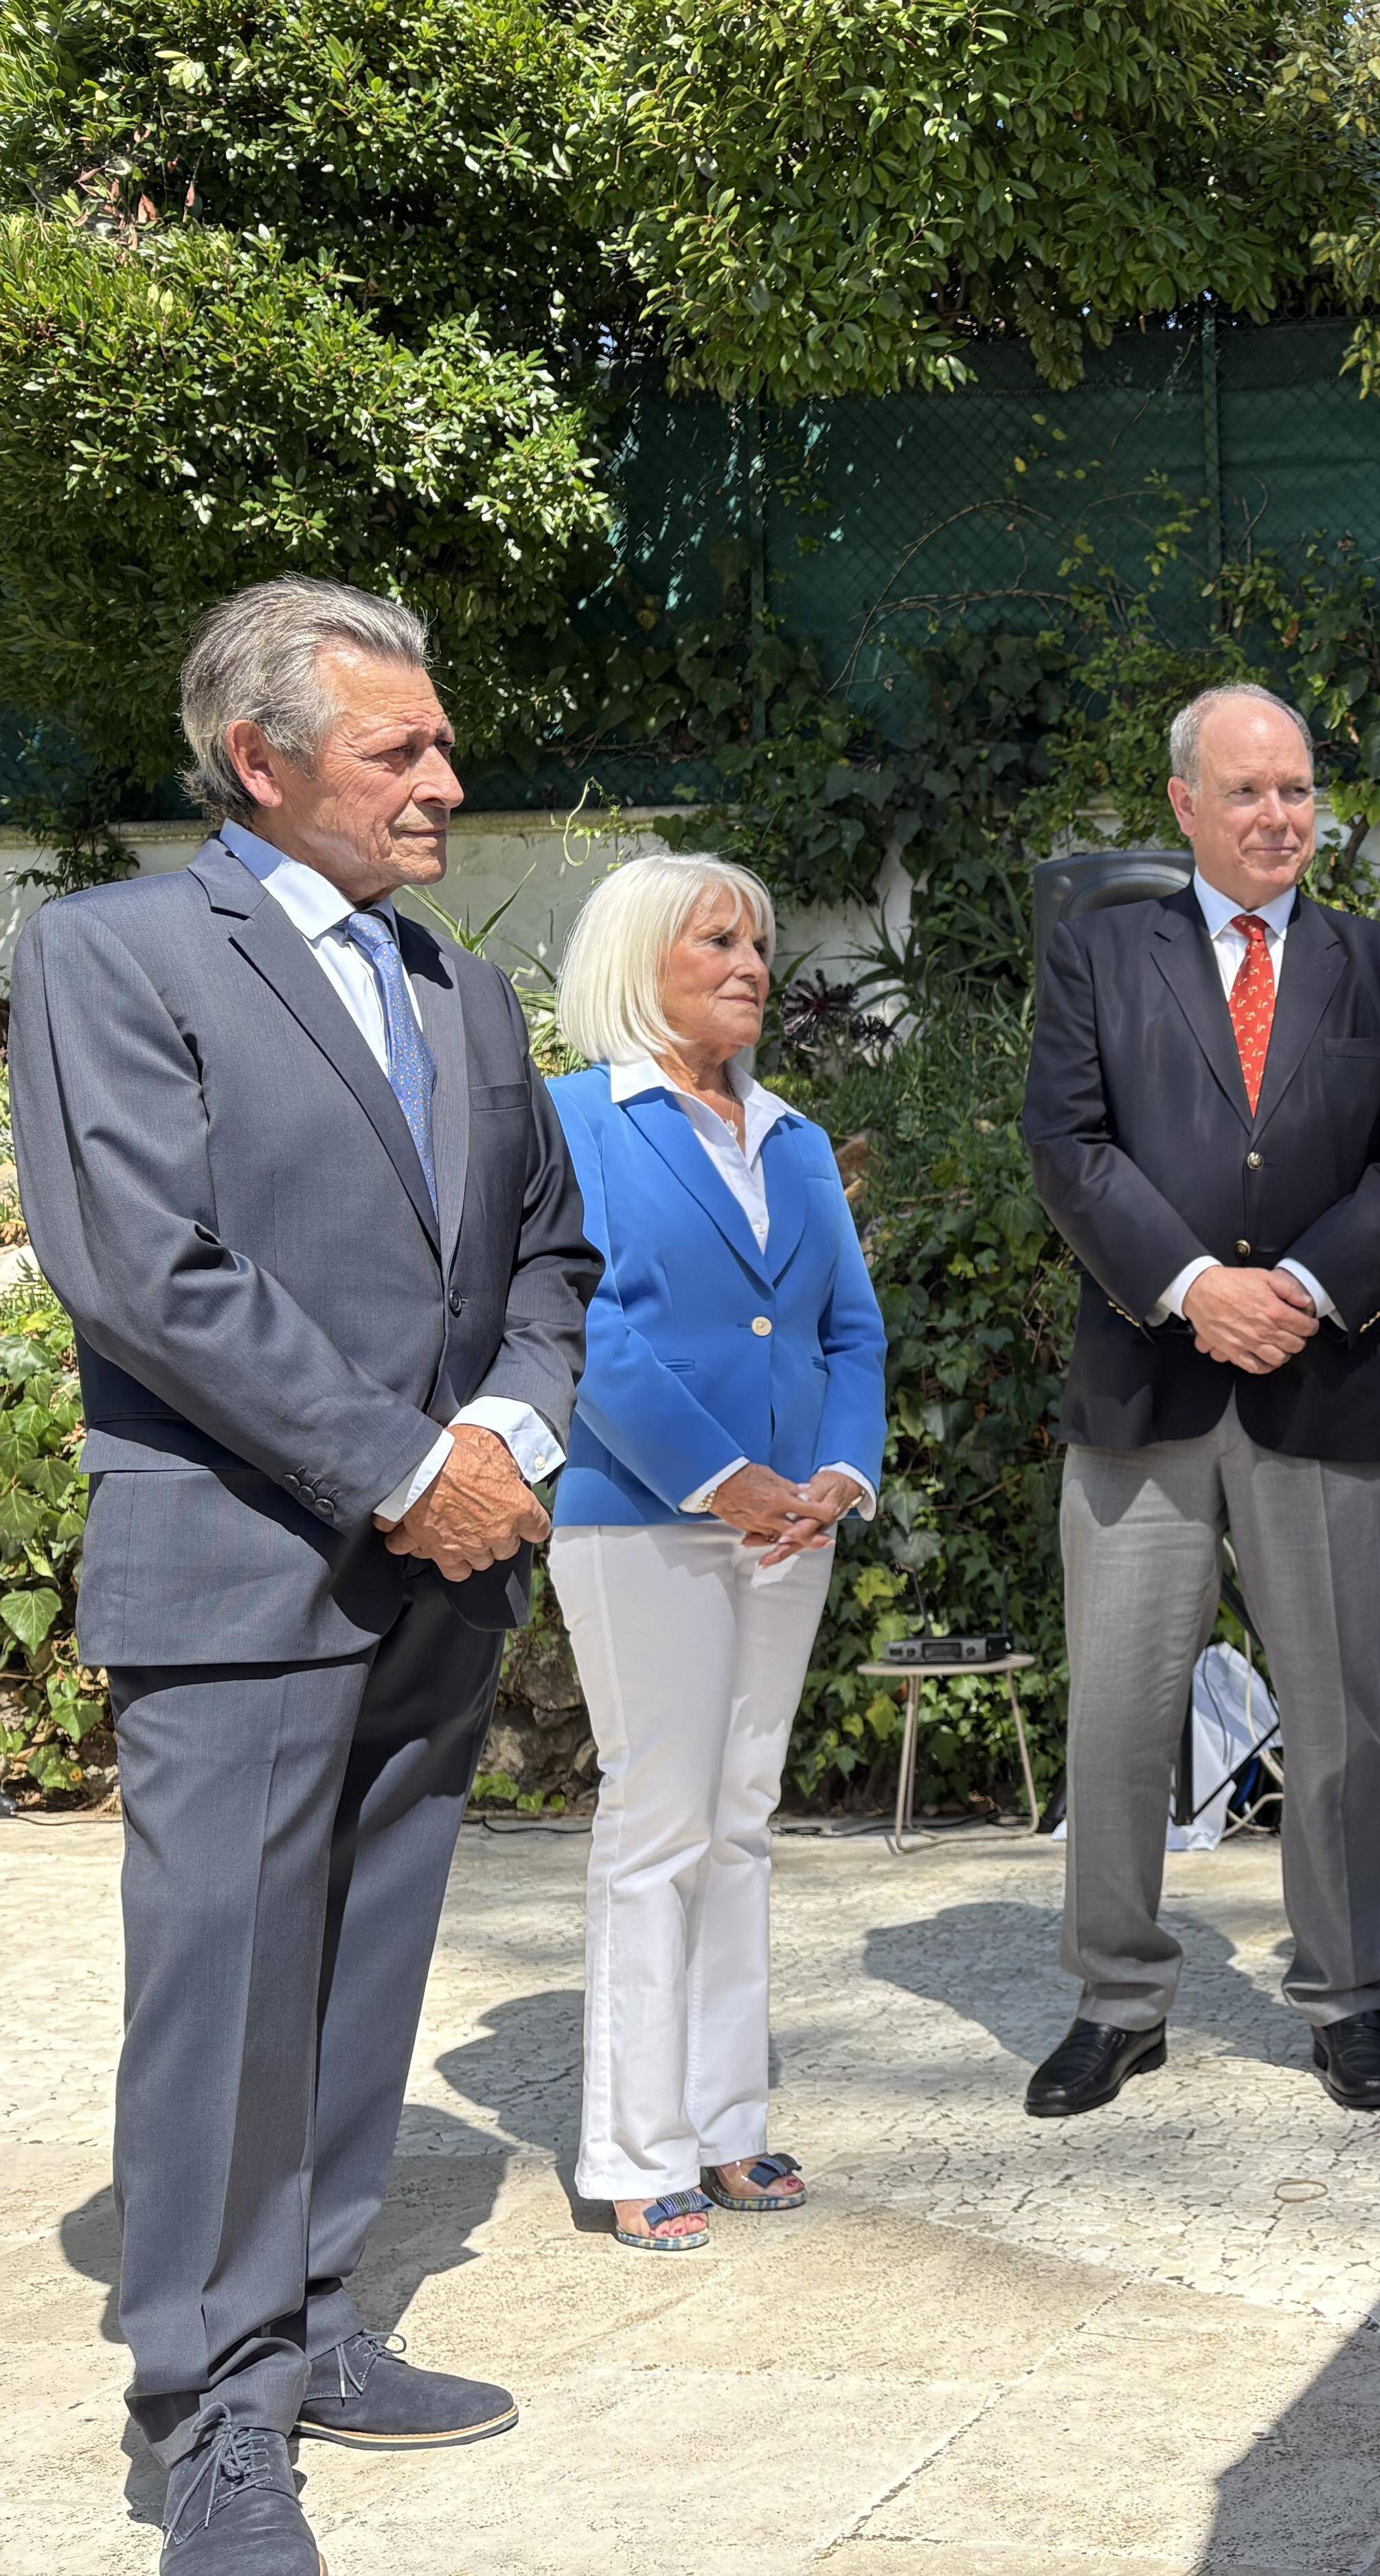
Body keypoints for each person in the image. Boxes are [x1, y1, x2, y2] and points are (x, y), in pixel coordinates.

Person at [8, 578, 597, 2575]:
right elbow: (145, 1269)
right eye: (399, 750)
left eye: (438, 742)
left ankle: (317, 2318)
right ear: (260, 764)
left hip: (441, 1568)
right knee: (226, 1996)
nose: (446, 778)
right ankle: (210, 2413)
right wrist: (400, 1467)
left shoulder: (463, 986)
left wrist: (506, 1437)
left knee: (359, 1975)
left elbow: (547, 1257)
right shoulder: (109, 950)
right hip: (246, 1567)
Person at [1021, 682, 1380, 2121]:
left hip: (1324, 1382)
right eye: (1249, 791)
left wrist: (1305, 1293)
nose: (1280, 815)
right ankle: (1116, 1999)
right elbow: (1070, 1145)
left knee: (1337, 1715)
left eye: (1297, 788)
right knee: (1120, 1712)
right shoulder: (1097, 956)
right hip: (1145, 1385)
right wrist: (1195, 1285)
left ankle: (1347, 1998)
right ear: (1183, 808)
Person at [542, 854, 887, 2254]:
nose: (751, 961)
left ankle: (727, 2123)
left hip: (789, 1528)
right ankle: (634, 2148)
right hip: (641, 1516)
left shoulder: (796, 1139)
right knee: (659, 1825)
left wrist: (835, 1477)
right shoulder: (579, 1120)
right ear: (640, 958)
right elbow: (586, 1326)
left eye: (759, 937)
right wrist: (722, 1479)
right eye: (719, 940)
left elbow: (845, 1329)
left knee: (742, 1821)